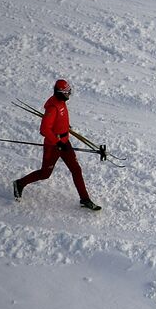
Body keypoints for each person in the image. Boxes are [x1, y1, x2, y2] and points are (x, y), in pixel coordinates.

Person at [13, 79, 101, 211]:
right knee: (45, 174)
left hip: (65, 142)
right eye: (67, 92)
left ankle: (85, 199)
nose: (69, 94)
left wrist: (65, 126)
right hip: (53, 146)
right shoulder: (53, 108)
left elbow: (59, 120)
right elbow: (44, 129)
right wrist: (58, 142)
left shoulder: (61, 102)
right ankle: (19, 183)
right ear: (60, 93)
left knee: (76, 170)